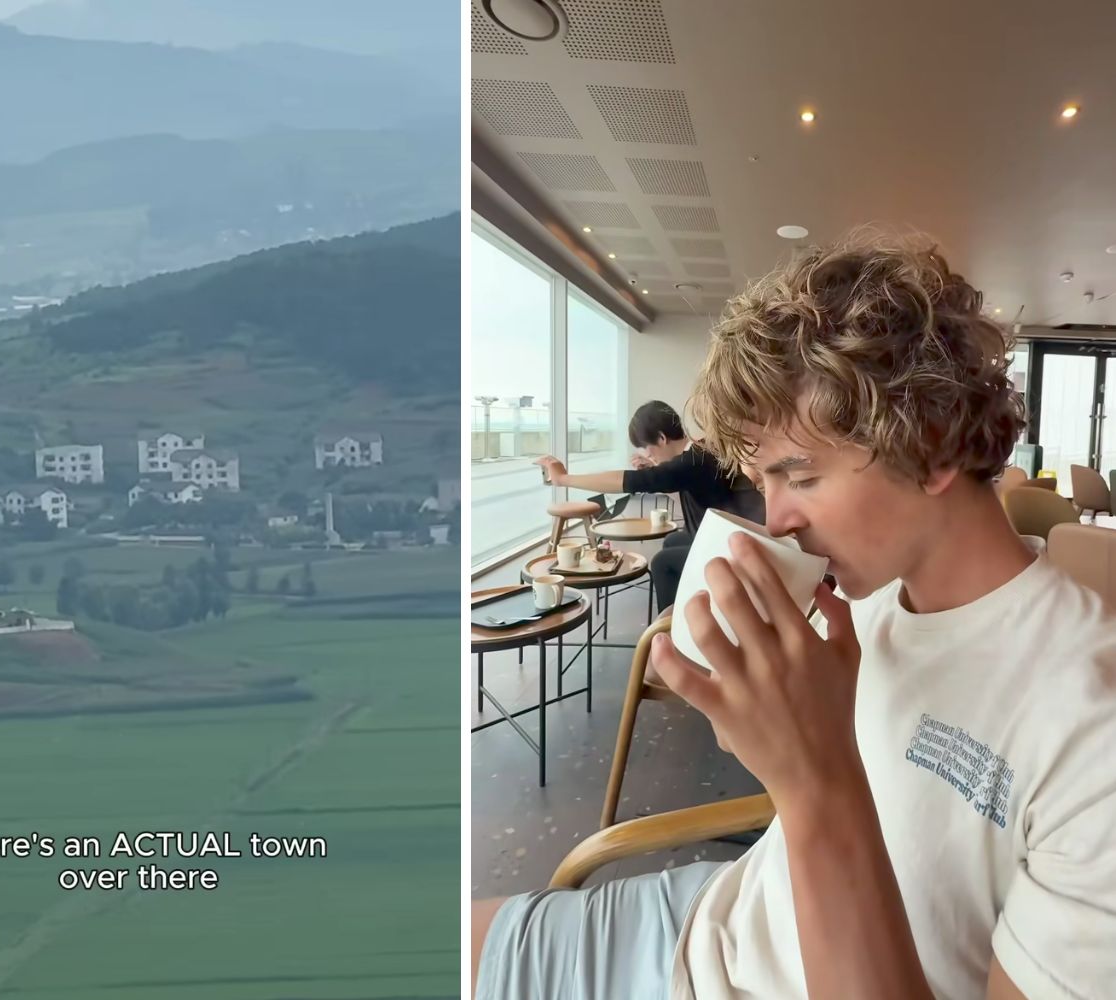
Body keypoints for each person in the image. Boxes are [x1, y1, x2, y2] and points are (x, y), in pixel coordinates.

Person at [473, 233, 1116, 999]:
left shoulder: (1088, 729)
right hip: (709, 917)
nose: (775, 520)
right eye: (761, 481)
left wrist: (813, 783)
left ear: (936, 443)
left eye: (799, 475)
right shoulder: (865, 601)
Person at [535, 400, 765, 613]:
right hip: (722, 534)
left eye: (648, 449)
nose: (647, 455)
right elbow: (683, 491)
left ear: (662, 438)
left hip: (726, 545)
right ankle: (692, 599)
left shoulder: (692, 461)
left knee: (662, 564)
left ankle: (672, 629)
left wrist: (564, 479)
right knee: (674, 540)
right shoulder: (699, 453)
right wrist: (654, 467)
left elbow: (628, 482)